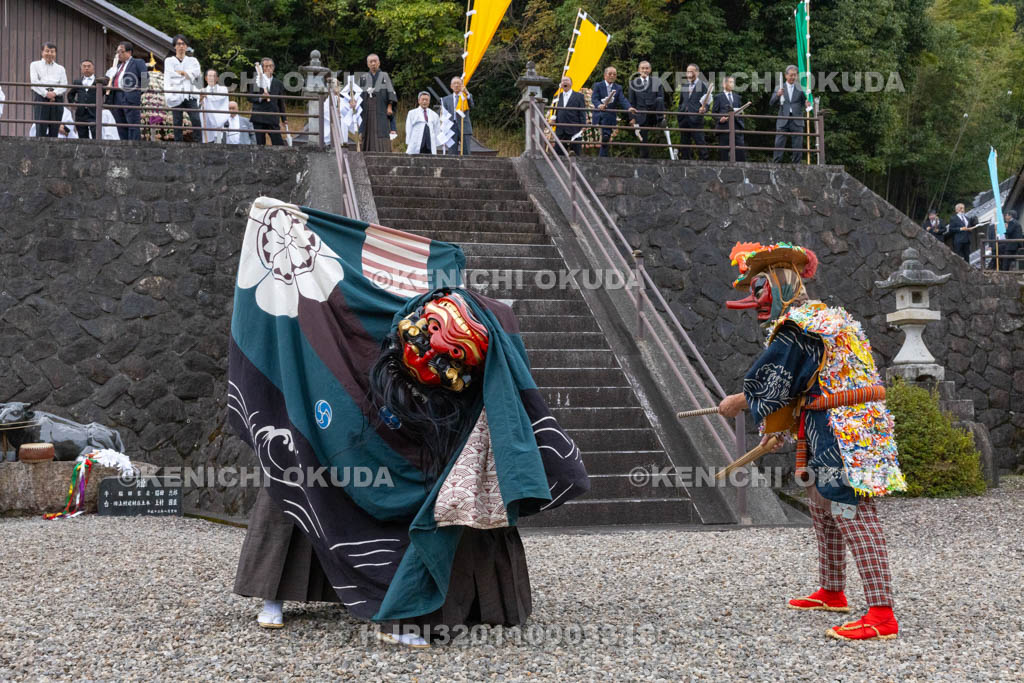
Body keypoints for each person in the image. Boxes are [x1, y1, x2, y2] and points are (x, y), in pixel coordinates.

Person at [719, 241, 905, 642]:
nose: (757, 304)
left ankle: (881, 612)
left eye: (760, 291)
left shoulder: (800, 326)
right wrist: (780, 425)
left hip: (842, 426)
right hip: (836, 419)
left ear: (780, 285)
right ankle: (833, 591)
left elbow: (775, 378)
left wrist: (738, 401)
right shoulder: (825, 318)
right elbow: (804, 382)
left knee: (850, 507)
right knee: (823, 503)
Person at [164, 35, 202, 142]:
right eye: (179, 44)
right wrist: (187, 75)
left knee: (195, 119)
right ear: (175, 46)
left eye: (183, 44)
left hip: (190, 93)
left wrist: (183, 73)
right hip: (176, 94)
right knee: (177, 121)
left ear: (186, 46)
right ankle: (178, 143)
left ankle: (198, 142)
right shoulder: (169, 61)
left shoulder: (193, 60)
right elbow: (170, 75)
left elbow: (197, 73)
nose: (181, 46)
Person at [106, 41, 147, 140]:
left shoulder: (138, 62)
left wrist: (137, 92)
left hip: (130, 95)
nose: (118, 54)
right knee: (120, 124)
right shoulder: (118, 67)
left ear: (129, 52)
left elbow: (145, 78)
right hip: (117, 96)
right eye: (117, 52)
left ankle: (133, 147)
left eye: (121, 51)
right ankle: (124, 145)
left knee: (133, 124)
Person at [357, 54, 398, 152]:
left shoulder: (385, 76)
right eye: (370, 62)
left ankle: (383, 151)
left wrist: (389, 106)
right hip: (367, 108)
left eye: (375, 61)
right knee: (366, 129)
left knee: (382, 130)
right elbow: (357, 93)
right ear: (367, 64)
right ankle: (366, 150)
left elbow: (391, 92)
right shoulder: (363, 78)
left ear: (379, 63)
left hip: (381, 108)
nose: (373, 63)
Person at [627, 61, 665, 159]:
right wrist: (632, 118)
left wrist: (662, 113)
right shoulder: (633, 83)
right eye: (642, 68)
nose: (645, 70)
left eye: (647, 68)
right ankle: (644, 159)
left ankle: (660, 120)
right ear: (638, 70)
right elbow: (632, 102)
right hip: (640, 113)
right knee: (643, 139)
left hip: (653, 113)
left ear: (650, 70)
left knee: (659, 99)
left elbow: (661, 98)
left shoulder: (657, 82)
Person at [30, 42, 68, 137]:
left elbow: (64, 84)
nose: (50, 54)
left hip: (57, 98)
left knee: (55, 127)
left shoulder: (60, 68)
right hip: (41, 97)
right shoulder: (35, 65)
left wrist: (54, 93)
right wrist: (46, 93)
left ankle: (53, 150)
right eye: (47, 51)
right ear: (42, 52)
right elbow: (34, 81)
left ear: (55, 53)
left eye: (52, 52)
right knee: (40, 126)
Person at [770, 65, 806, 163]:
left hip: (797, 119)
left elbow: (805, 103)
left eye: (795, 75)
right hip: (783, 118)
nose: (793, 77)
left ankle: (797, 165)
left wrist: (808, 104)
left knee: (798, 144)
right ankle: (776, 164)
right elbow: (771, 103)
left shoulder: (801, 88)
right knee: (779, 143)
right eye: (791, 75)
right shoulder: (779, 87)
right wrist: (778, 95)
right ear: (786, 76)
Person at [590, 66, 627, 158]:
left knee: (606, 139)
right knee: (604, 137)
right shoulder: (598, 85)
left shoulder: (618, 88)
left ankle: (602, 157)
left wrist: (629, 108)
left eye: (614, 74)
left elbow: (622, 100)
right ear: (605, 75)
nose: (612, 76)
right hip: (599, 115)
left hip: (610, 117)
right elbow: (594, 98)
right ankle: (602, 156)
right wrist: (599, 105)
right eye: (610, 74)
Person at [676, 64, 710, 161]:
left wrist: (704, 109)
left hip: (696, 117)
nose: (689, 73)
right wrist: (680, 111)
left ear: (697, 72)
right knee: (684, 142)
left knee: (700, 141)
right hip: (683, 118)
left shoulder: (703, 85)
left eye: (692, 71)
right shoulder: (685, 85)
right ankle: (685, 162)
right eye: (688, 71)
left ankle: (705, 163)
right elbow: (681, 102)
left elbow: (707, 102)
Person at [249, 58, 287, 146]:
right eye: (266, 66)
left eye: (271, 66)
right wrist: (260, 97)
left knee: (278, 144)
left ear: (273, 68)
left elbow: (281, 102)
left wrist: (284, 118)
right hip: (259, 116)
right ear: (262, 68)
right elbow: (250, 97)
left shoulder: (278, 83)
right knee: (259, 145)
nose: (269, 68)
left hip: (273, 117)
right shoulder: (256, 81)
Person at [712, 75, 746, 161]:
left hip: (737, 127)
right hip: (724, 127)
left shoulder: (737, 97)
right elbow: (714, 113)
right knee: (724, 151)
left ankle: (741, 169)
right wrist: (720, 119)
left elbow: (740, 111)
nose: (732, 84)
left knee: (740, 150)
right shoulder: (718, 97)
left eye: (733, 82)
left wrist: (741, 114)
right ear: (724, 84)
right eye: (730, 82)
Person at [440, 77, 474, 155]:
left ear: (462, 85)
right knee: (452, 152)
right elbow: (444, 115)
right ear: (451, 86)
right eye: (454, 83)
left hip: (464, 126)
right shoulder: (445, 99)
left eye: (458, 83)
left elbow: (472, 106)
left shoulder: (465, 97)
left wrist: (467, 94)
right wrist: (443, 129)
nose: (456, 85)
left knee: (466, 151)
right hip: (451, 127)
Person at [552, 76, 585, 156]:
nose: (564, 82)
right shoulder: (557, 97)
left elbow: (582, 112)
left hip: (574, 128)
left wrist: (583, 125)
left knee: (576, 153)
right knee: (558, 153)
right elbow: (554, 111)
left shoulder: (579, 96)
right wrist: (553, 119)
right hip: (560, 129)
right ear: (561, 84)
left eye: (567, 80)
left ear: (571, 83)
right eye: (563, 81)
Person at [67, 59, 98, 139]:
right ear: (81, 68)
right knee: (82, 135)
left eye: (89, 66)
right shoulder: (77, 81)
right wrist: (73, 103)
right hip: (81, 113)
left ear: (93, 68)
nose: (86, 68)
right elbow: (70, 94)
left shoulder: (98, 82)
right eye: (84, 66)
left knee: (96, 134)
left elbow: (106, 92)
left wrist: (104, 105)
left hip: (94, 112)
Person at [200, 69, 230, 143]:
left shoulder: (223, 89)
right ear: (206, 78)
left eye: (213, 76)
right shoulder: (202, 90)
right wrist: (200, 99)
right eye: (209, 76)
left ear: (217, 78)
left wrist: (207, 95)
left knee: (219, 141)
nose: (211, 78)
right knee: (207, 141)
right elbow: (198, 104)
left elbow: (218, 99)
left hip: (219, 119)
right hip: (207, 120)